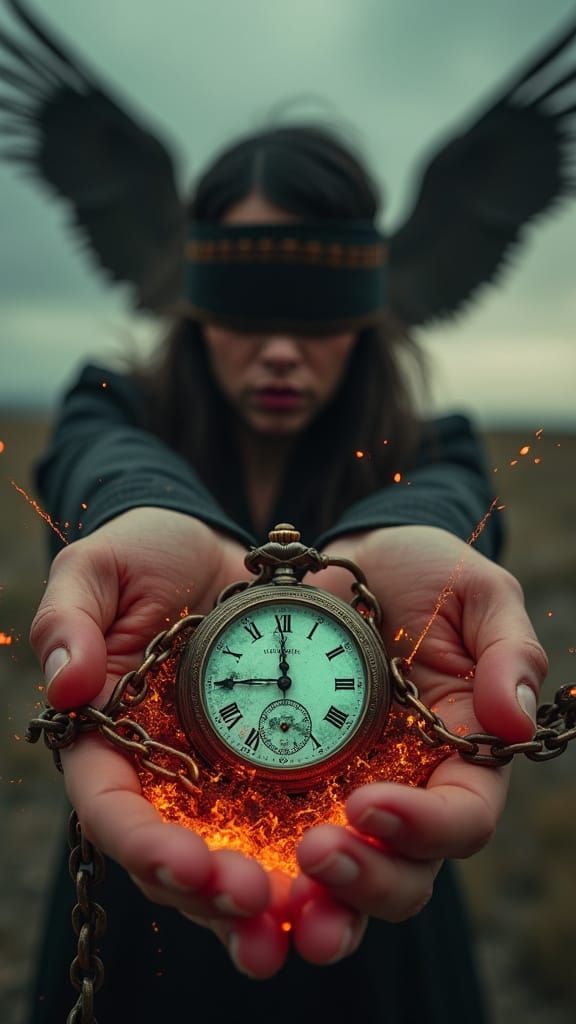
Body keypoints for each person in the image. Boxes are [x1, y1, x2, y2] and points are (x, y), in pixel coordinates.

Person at [26, 124, 547, 1024]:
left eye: (312, 312)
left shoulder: (433, 447)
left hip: (371, 887)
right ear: (192, 303)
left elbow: (445, 493)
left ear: (367, 313)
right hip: (141, 917)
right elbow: (97, 459)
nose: (277, 349)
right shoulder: (112, 411)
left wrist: (409, 533)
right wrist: (142, 512)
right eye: (243, 306)